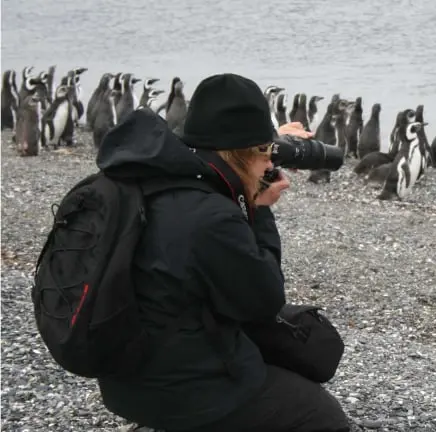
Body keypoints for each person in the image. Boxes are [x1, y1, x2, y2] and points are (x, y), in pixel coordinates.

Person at [95, 73, 350, 432]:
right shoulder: (211, 217)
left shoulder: (153, 174)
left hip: (121, 377)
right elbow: (264, 300)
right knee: (321, 416)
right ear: (245, 153)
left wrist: (257, 150)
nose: (270, 163)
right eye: (266, 152)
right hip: (171, 389)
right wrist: (257, 209)